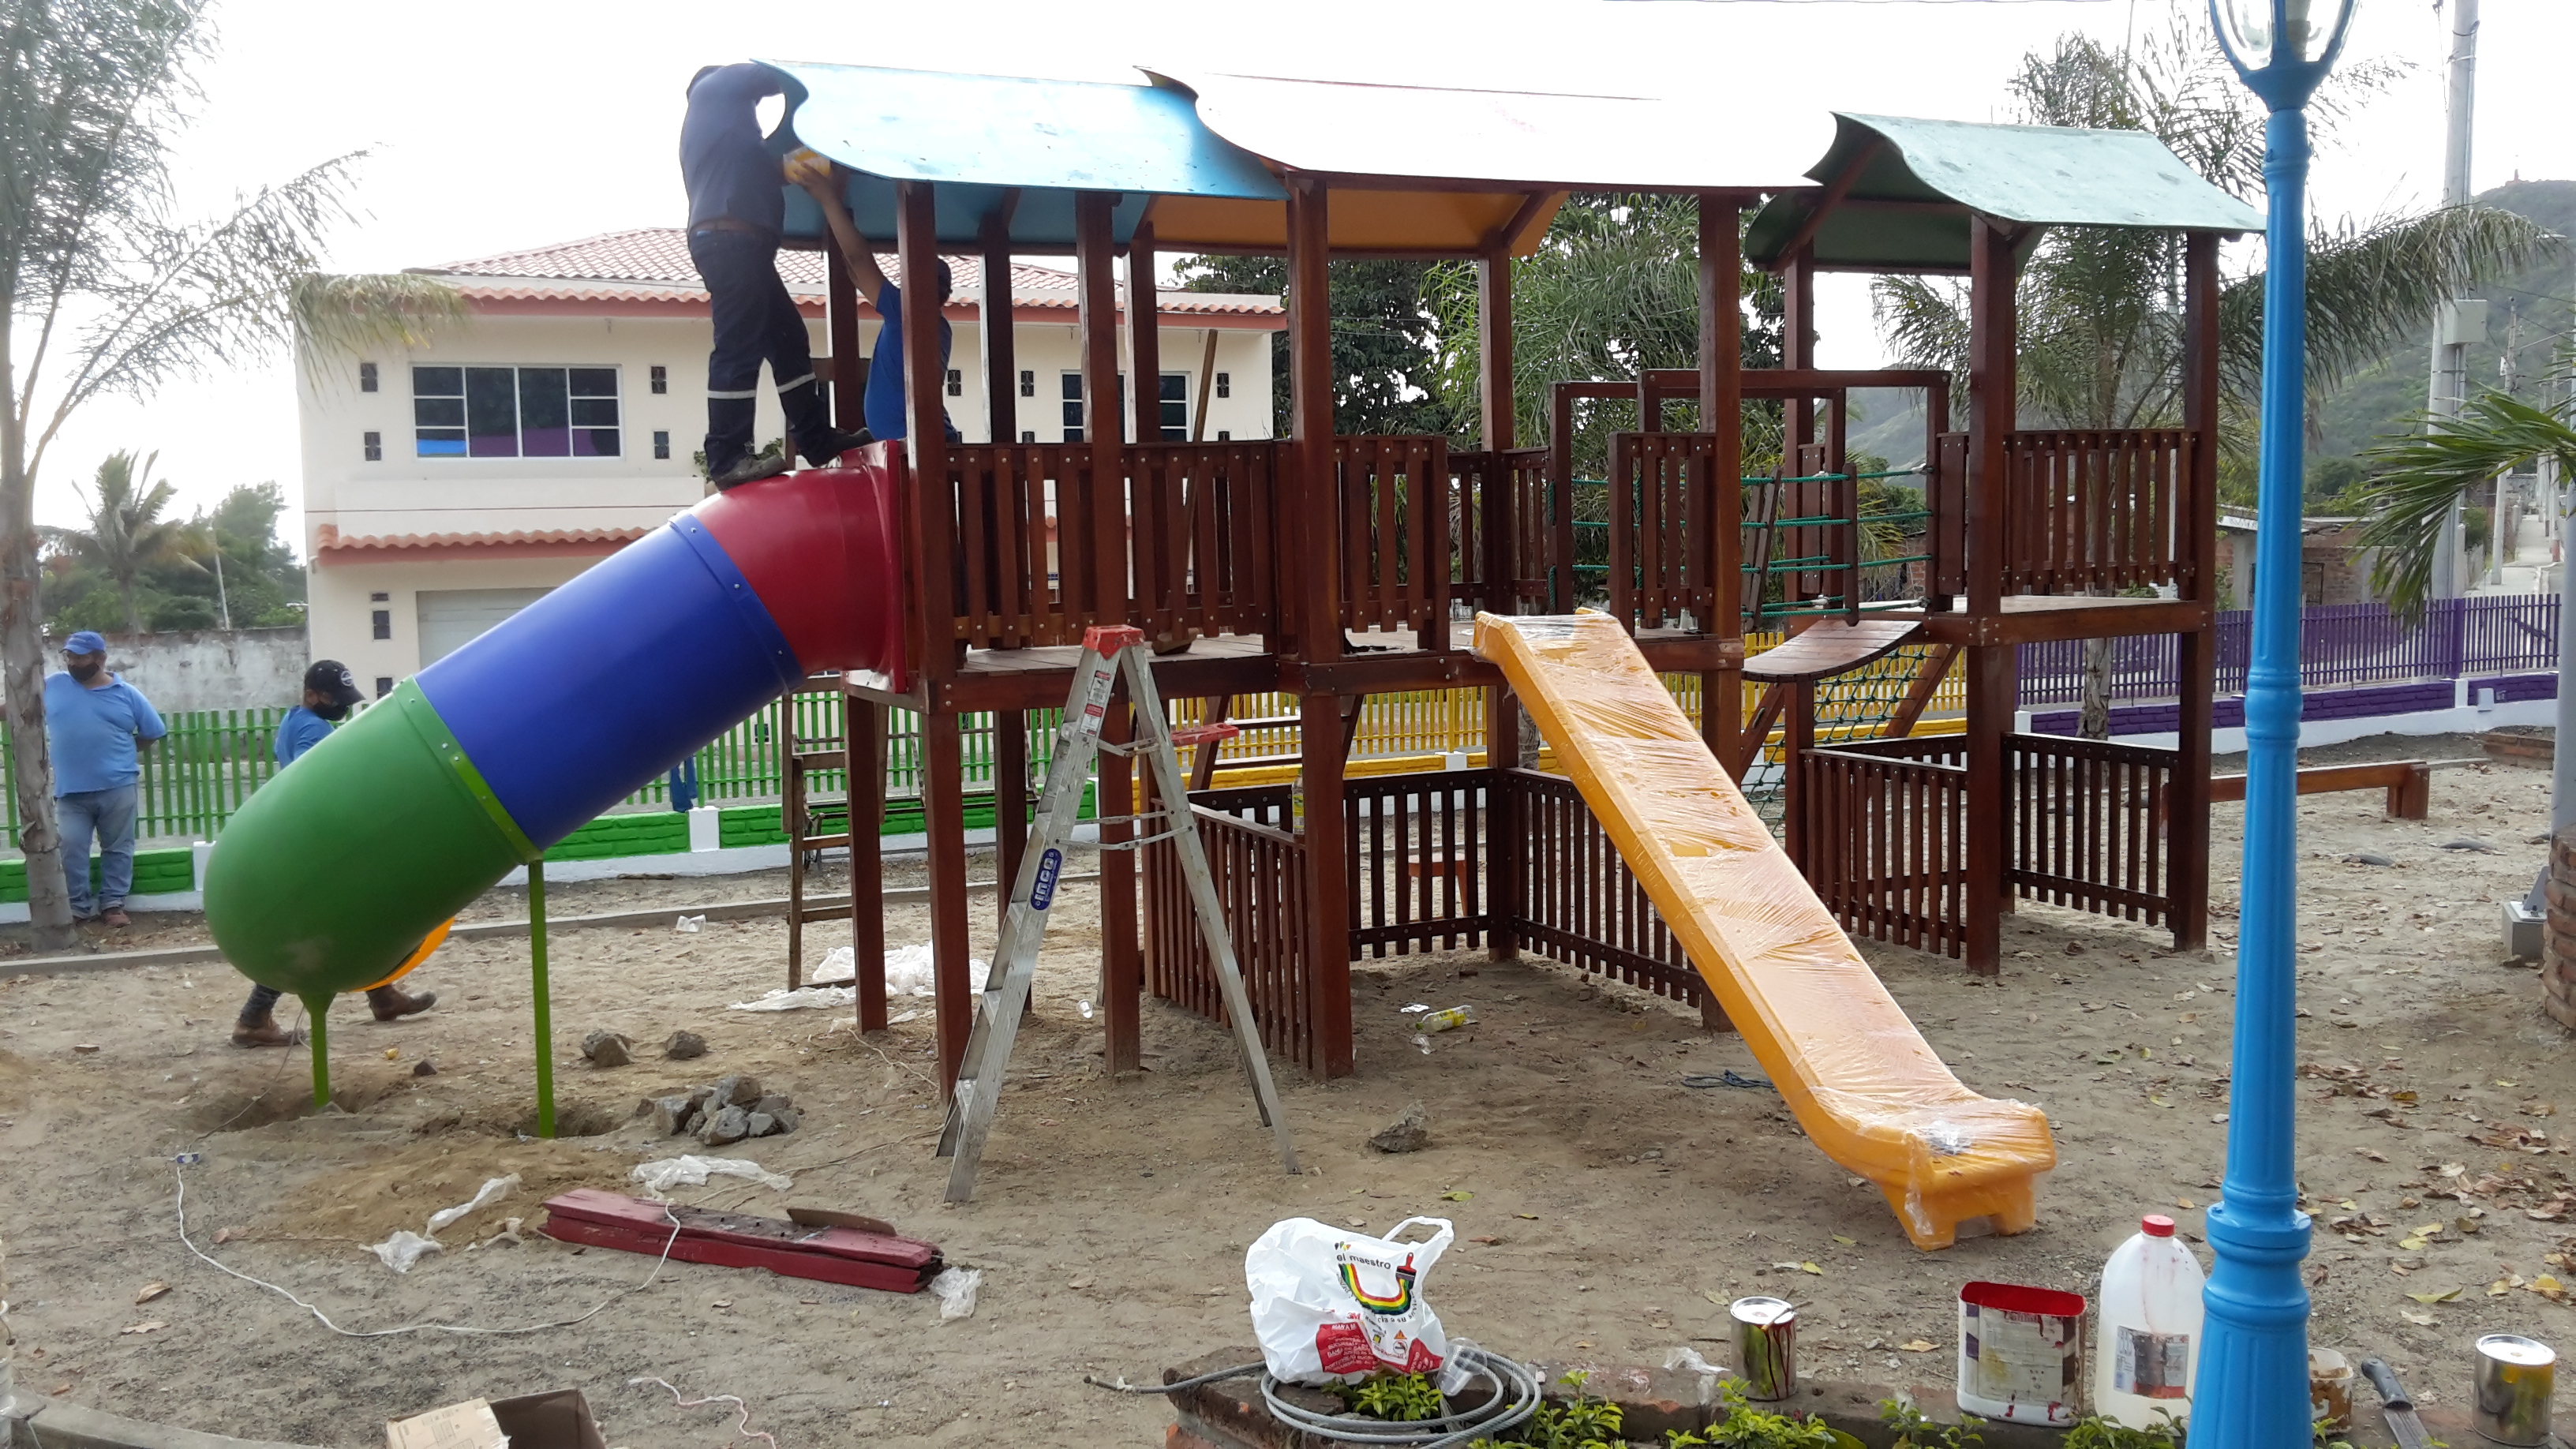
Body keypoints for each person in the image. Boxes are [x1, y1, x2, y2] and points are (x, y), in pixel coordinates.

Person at [681, 62, 869, 489]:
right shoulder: (713, 87)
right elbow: (774, 75)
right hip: (731, 242)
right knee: (737, 347)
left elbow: (767, 171)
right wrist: (826, 86)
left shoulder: (725, 142)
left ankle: (816, 439)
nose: (755, 114)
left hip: (739, 246)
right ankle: (726, 458)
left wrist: (798, 166)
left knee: (788, 340)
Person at [233, 661, 436, 1048]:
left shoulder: (294, 720)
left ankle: (382, 995)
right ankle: (254, 1018)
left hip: (301, 838)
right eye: (334, 698)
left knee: (350, 920)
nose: (341, 706)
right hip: (315, 842)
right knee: (310, 929)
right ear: (312, 695)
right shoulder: (313, 728)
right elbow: (315, 776)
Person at [794, 166, 960, 444]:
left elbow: (858, 261)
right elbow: (856, 270)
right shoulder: (935, 324)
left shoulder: (905, 311)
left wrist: (829, 199)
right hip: (917, 441)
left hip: (914, 444)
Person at [44, 631, 164, 929]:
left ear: (100, 659)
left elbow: (152, 731)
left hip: (118, 785)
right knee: (71, 846)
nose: (74, 662)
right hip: (71, 790)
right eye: (70, 657)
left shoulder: (127, 693)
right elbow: (19, 705)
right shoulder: (54, 685)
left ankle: (113, 904)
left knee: (118, 847)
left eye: (81, 657)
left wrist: (124, 752)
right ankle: (78, 906)